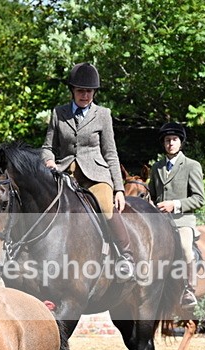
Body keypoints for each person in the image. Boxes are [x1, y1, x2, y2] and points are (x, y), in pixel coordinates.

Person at [41, 62, 134, 278]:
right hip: (65, 175)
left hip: (95, 175)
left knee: (105, 206)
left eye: (89, 91)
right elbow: (47, 148)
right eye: (81, 91)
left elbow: (111, 153)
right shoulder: (58, 113)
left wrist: (119, 189)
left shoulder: (103, 114)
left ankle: (125, 256)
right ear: (72, 90)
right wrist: (49, 162)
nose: (85, 95)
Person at [148, 122, 205, 309]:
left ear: (181, 142)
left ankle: (189, 289)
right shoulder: (156, 168)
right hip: (160, 221)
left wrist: (175, 205)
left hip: (183, 220)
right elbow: (153, 195)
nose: (170, 143)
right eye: (167, 140)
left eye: (174, 140)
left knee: (185, 247)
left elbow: (199, 199)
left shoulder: (192, 166)